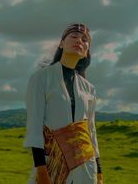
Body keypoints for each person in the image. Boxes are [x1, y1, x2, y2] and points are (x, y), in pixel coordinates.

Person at [24, 23, 103, 184]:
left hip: (86, 166)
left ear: (86, 51)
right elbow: (35, 125)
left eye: (84, 39)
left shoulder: (89, 88)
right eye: (73, 36)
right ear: (61, 43)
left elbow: (91, 131)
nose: (79, 40)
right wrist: (41, 170)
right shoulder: (41, 78)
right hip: (52, 161)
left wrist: (99, 170)